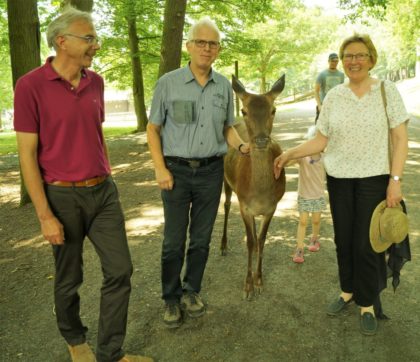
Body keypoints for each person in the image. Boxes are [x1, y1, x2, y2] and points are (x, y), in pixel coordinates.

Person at [13, 8, 152, 362]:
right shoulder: (30, 86)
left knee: (120, 270)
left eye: (94, 37)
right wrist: (44, 214)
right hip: (61, 196)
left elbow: (96, 133)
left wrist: (106, 172)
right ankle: (76, 341)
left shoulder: (97, 82)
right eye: (88, 38)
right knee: (69, 276)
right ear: (62, 41)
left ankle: (111, 352)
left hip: (103, 192)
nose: (96, 44)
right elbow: (27, 155)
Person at [274, 34, 409, 335]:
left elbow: (400, 140)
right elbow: (321, 140)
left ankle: (367, 302)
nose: (353, 60)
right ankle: (347, 290)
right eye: (348, 55)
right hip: (339, 179)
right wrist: (290, 153)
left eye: (360, 55)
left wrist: (395, 181)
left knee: (367, 243)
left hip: (374, 178)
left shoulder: (387, 91)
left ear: (371, 59)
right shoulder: (334, 96)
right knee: (344, 240)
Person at [147, 17, 249, 329]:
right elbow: (153, 129)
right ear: (189, 46)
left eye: (213, 43)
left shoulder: (223, 87)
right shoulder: (168, 83)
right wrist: (160, 168)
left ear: (218, 50)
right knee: (173, 242)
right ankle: (170, 297)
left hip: (210, 173)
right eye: (201, 42)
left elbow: (227, 128)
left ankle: (192, 292)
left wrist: (242, 146)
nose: (207, 48)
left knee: (201, 240)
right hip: (175, 172)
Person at [289, 125, 326, 264]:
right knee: (303, 222)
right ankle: (299, 248)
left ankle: (314, 238)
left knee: (316, 221)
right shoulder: (303, 157)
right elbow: (289, 160)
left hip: (318, 195)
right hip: (304, 195)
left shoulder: (324, 157)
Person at [314, 53, 345, 123]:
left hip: (336, 106)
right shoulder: (322, 74)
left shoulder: (341, 75)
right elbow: (316, 91)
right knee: (319, 128)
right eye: (332, 61)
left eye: (336, 61)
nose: (334, 63)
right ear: (329, 61)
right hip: (323, 106)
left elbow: (342, 91)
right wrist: (319, 105)